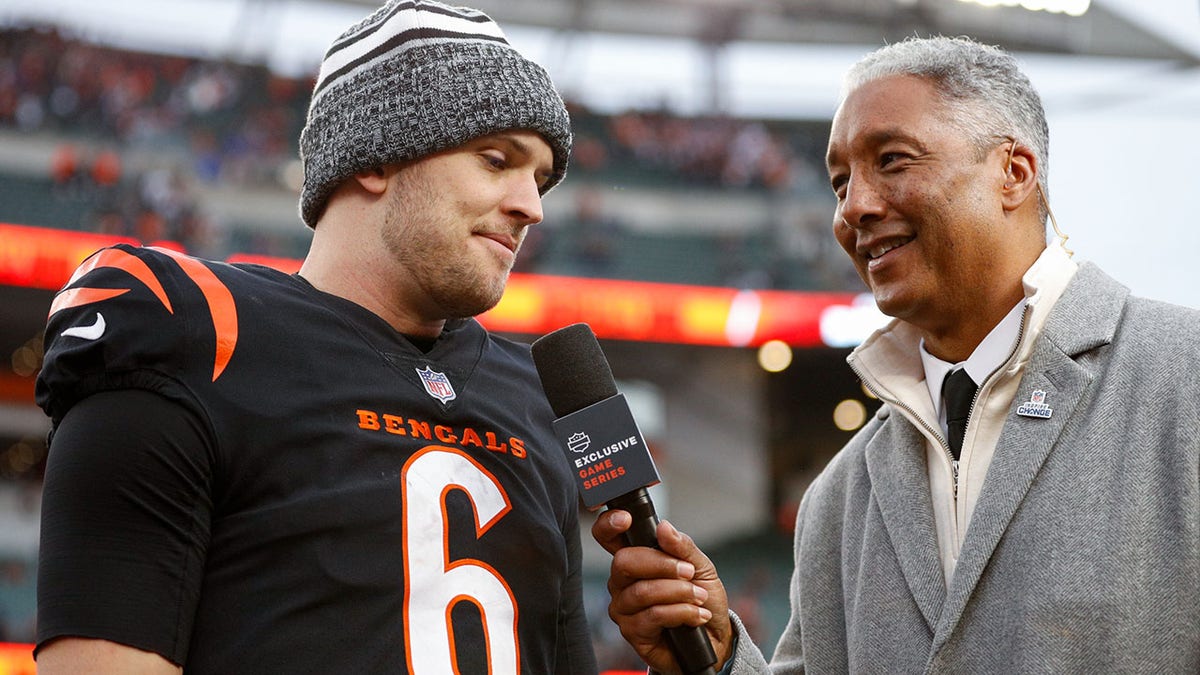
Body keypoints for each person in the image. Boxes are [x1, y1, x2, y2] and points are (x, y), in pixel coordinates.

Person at [594, 35, 1200, 673]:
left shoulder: (1183, 379)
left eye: (893, 159)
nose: (855, 206)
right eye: (838, 183)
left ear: (1013, 174)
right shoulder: (839, 495)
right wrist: (720, 658)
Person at [34, 1, 598, 673]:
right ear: (379, 156)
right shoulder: (203, 336)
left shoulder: (537, 398)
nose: (530, 207)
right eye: (496, 159)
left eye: (539, 179)